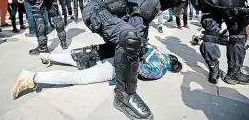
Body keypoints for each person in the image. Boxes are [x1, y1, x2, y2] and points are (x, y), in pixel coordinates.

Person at [79, 0, 185, 120]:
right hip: (96, 12)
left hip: (96, 10)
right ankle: (124, 96)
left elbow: (140, 24)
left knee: (126, 39)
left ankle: (86, 56)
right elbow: (135, 31)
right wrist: (138, 52)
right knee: (130, 39)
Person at [11, 43, 182, 100]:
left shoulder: (156, 50)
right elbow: (141, 71)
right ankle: (32, 77)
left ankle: (46, 55)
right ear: (172, 68)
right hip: (116, 69)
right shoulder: (161, 69)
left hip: (113, 57)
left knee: (79, 62)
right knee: (78, 77)